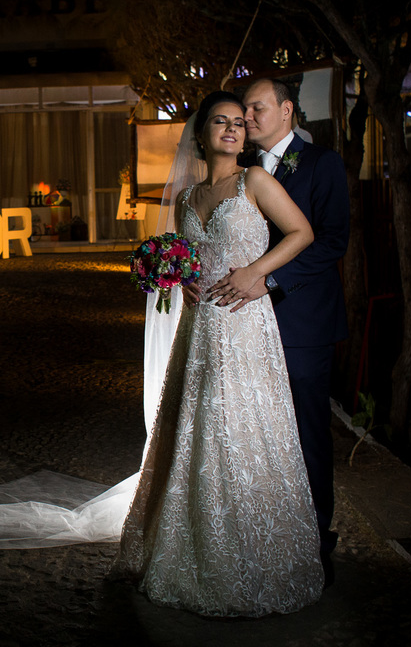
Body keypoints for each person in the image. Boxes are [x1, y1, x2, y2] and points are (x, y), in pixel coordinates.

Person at [110, 90, 323, 617]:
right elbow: (189, 258)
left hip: (246, 327)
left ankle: (255, 556)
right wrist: (178, 280)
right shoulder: (186, 199)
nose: (232, 128)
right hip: (200, 332)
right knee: (198, 431)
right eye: (220, 122)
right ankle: (194, 550)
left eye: (238, 122)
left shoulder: (256, 182)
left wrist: (258, 273)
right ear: (201, 134)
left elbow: (303, 232)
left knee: (241, 429)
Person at [207, 77, 350, 581]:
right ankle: (264, 533)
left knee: (306, 433)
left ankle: (315, 540)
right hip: (243, 326)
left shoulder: (320, 164)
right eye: (243, 108)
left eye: (256, 107)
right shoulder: (242, 174)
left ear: (287, 110)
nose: (247, 116)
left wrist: (271, 279)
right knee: (256, 435)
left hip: (301, 321)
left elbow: (332, 241)